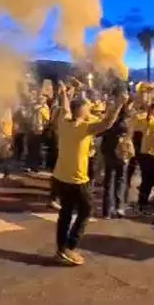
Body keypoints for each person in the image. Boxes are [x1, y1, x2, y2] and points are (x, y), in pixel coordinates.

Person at [53, 82, 126, 266]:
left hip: (60, 176)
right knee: (86, 210)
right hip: (77, 179)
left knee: (66, 213)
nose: (90, 110)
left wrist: (64, 93)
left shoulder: (65, 121)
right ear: (81, 111)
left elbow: (65, 107)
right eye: (87, 108)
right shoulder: (82, 128)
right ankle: (70, 246)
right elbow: (107, 123)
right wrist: (119, 104)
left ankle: (61, 249)